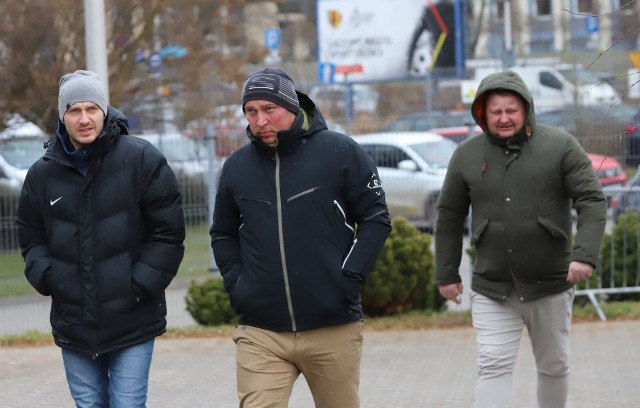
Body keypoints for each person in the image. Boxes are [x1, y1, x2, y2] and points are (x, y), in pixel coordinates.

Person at [210, 67, 391, 408]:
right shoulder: (236, 167)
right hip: (261, 330)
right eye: (251, 111)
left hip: (332, 324)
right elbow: (222, 233)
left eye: (269, 109)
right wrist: (239, 284)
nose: (260, 120)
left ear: (291, 106)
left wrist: (349, 278)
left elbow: (375, 219)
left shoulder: (340, 152)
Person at [435, 70, 607, 408]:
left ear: (526, 108)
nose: (503, 118)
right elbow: (449, 216)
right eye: (495, 112)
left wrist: (584, 254)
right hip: (493, 287)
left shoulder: (559, 146)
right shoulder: (467, 155)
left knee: (554, 365)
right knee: (493, 364)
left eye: (511, 110)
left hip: (551, 283)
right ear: (482, 114)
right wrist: (446, 273)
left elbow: (592, 200)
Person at [16, 70, 186, 407]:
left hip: (132, 318)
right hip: (74, 322)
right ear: (62, 116)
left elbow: (168, 233)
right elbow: (30, 237)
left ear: (104, 111)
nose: (83, 119)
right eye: (74, 110)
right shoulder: (41, 174)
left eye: (91, 109)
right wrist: (52, 279)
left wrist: (137, 286)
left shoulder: (141, 159)